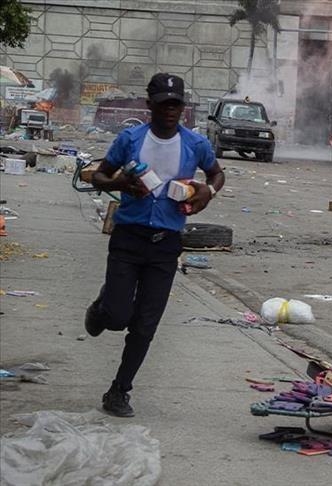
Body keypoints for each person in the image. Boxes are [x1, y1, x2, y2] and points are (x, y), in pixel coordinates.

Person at [85, 73, 225, 417]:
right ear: (149, 105)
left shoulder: (195, 144)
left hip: (166, 245)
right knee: (118, 317)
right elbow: (99, 175)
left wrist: (209, 191)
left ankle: (119, 390)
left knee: (145, 324)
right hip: (128, 239)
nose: (169, 110)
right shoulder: (130, 140)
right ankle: (104, 307)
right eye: (163, 104)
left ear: (183, 107)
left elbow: (216, 173)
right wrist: (121, 183)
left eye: (175, 104)